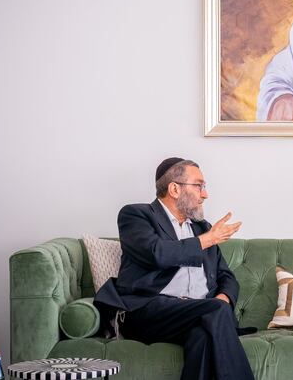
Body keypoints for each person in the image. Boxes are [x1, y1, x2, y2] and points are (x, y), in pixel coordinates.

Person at [94, 158, 253, 380]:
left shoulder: (200, 227)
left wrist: (225, 297)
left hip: (196, 312)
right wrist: (206, 240)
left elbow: (226, 275)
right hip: (149, 311)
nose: (205, 194)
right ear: (174, 189)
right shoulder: (136, 216)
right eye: (199, 186)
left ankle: (215, 311)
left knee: (202, 336)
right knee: (215, 310)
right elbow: (157, 253)